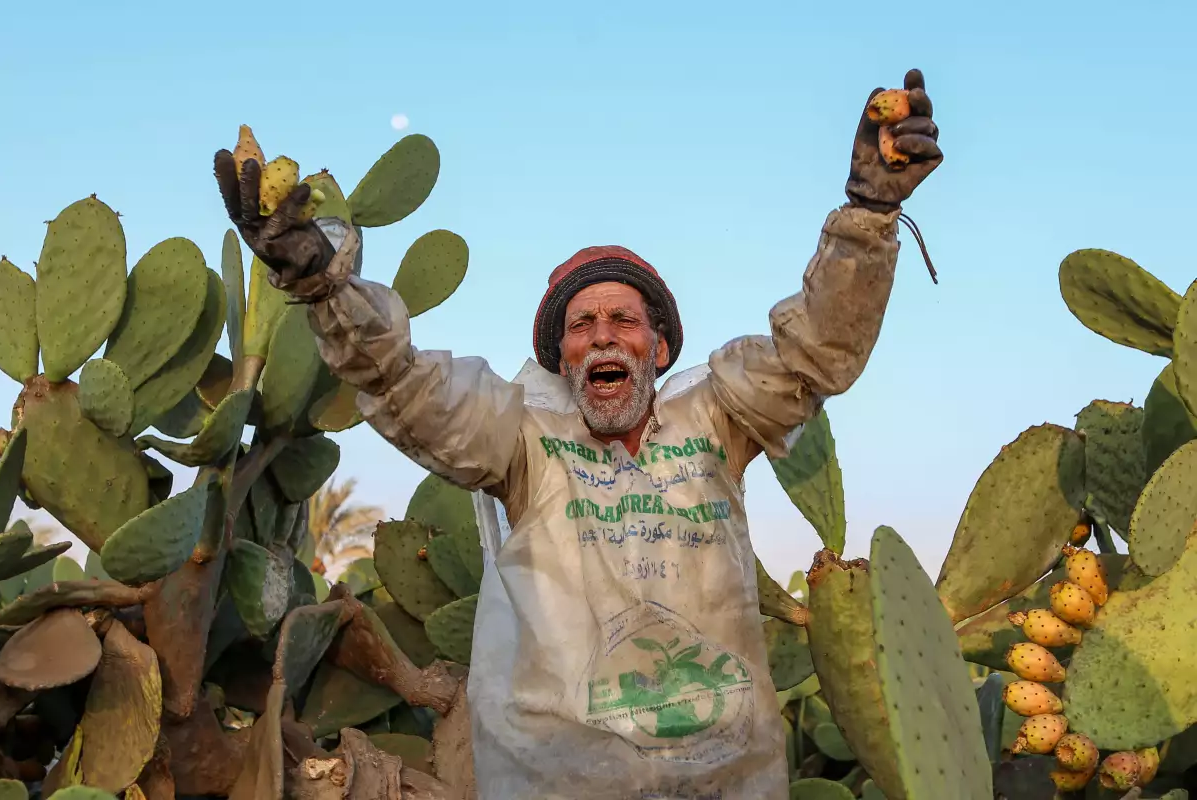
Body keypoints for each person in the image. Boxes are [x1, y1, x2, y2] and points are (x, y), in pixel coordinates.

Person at [213, 68, 942, 800]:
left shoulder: (718, 419)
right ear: (561, 359)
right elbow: (404, 385)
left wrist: (868, 216)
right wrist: (326, 291)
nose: (602, 339)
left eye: (623, 321)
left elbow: (812, 352)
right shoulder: (523, 440)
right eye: (581, 326)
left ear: (658, 348)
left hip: (720, 782)